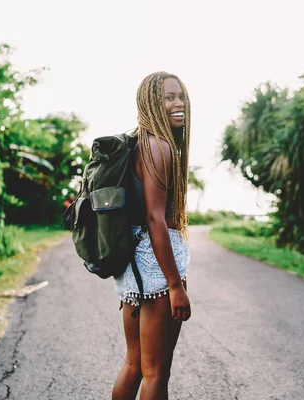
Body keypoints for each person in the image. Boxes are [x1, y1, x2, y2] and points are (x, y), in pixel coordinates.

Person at [112, 71, 192, 400]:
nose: (178, 104)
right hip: (155, 267)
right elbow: (155, 218)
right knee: (157, 372)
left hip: (134, 262)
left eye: (180, 95)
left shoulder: (139, 143)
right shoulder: (158, 146)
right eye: (168, 98)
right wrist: (175, 286)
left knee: (135, 364)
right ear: (151, 104)